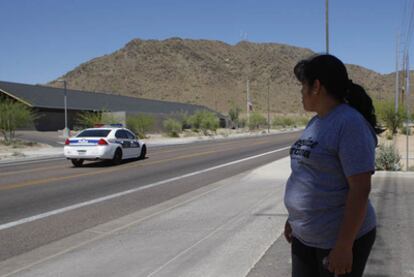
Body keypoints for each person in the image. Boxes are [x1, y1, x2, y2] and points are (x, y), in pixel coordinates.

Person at [284, 54, 381, 277]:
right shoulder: (317, 121)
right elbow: (307, 173)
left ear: (316, 86)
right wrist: (294, 219)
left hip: (337, 241)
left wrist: (345, 246)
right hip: (305, 237)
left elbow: (360, 189)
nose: (301, 92)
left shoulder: (349, 123)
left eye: (303, 86)